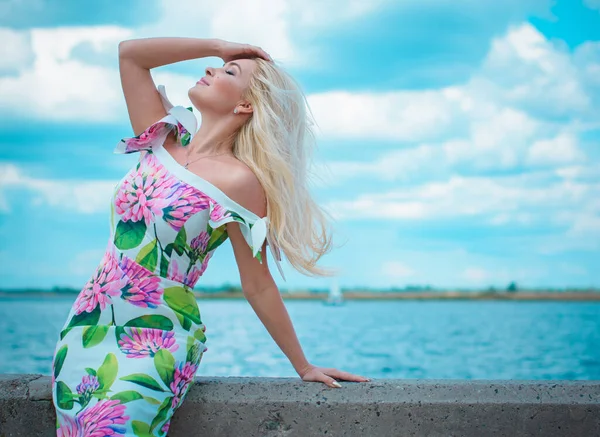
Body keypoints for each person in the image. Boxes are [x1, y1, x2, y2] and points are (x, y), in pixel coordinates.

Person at [50, 37, 370, 436]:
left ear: (246, 105)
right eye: (219, 66)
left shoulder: (241, 182)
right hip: (86, 326)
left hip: (157, 338)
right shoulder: (161, 137)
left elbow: (257, 283)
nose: (211, 70)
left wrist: (303, 366)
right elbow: (130, 55)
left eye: (228, 72)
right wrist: (221, 47)